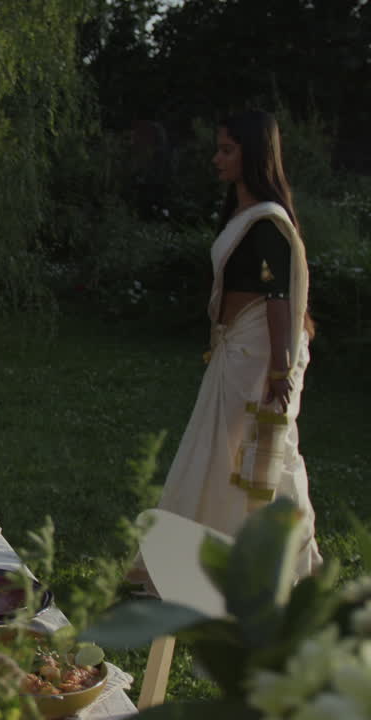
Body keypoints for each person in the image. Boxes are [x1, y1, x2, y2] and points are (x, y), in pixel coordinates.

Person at [155, 110, 321, 574]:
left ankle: (270, 564)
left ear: (253, 155)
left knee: (257, 456)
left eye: (226, 149)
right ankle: (206, 558)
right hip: (236, 347)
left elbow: (278, 295)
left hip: (258, 353)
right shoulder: (244, 214)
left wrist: (279, 369)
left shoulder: (268, 221)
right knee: (221, 454)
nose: (216, 158)